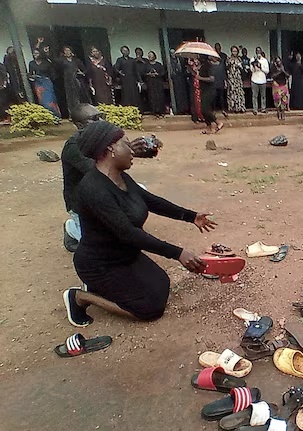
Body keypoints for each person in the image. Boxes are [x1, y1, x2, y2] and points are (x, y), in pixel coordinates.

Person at [63, 121, 215, 326]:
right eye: (127, 145)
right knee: (150, 309)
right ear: (111, 149)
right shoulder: (93, 189)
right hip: (100, 264)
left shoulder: (120, 177)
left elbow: (150, 200)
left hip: (126, 255)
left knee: (162, 284)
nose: (133, 151)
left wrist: (191, 216)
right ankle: (80, 297)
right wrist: (177, 253)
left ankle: (99, 288)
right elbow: (129, 233)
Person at [61, 103, 163, 252]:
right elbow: (100, 171)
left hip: (101, 194)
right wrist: (128, 151)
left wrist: (147, 148)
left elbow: (118, 157)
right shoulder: (74, 146)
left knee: (139, 191)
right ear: (79, 125)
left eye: (101, 116)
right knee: (103, 246)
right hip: (82, 203)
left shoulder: (101, 139)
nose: (101, 121)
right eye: (95, 118)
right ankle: (72, 229)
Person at [57, 46, 91, 115]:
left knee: (79, 96)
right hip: (68, 81)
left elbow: (85, 69)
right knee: (70, 97)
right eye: (65, 51)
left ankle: (82, 113)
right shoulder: (62, 61)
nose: (67, 52)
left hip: (77, 80)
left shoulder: (76, 60)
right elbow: (57, 67)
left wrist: (82, 73)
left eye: (68, 50)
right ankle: (72, 114)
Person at [28, 48, 61, 116]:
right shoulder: (31, 63)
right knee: (41, 100)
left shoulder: (46, 62)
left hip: (46, 82)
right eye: (34, 53)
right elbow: (30, 73)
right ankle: (46, 116)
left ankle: (55, 115)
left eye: (37, 53)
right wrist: (32, 77)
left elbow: (53, 73)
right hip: (38, 83)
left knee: (50, 100)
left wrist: (48, 78)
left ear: (40, 54)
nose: (35, 55)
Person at [197, 56, 224, 134]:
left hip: (210, 91)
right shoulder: (202, 66)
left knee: (205, 109)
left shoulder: (208, 66)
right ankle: (209, 127)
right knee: (203, 110)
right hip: (204, 90)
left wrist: (200, 78)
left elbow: (212, 79)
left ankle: (218, 122)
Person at [144, 51, 166, 117]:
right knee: (152, 97)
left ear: (154, 56)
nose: (150, 56)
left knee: (160, 96)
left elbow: (163, 73)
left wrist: (157, 74)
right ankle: (154, 111)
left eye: (151, 55)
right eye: (149, 55)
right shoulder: (146, 65)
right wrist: (149, 74)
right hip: (151, 82)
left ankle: (161, 111)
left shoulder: (158, 64)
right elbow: (144, 73)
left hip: (158, 82)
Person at [226, 45, 246, 113]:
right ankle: (233, 108)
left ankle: (240, 107)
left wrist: (240, 66)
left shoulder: (239, 59)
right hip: (231, 78)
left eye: (236, 51)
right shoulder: (228, 59)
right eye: (233, 51)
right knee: (232, 93)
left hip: (238, 78)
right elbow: (226, 68)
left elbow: (243, 68)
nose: (234, 52)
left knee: (239, 92)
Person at [169, 48, 190, 114]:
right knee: (177, 95)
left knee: (184, 95)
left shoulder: (180, 59)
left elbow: (184, 68)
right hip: (175, 79)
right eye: (171, 53)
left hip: (182, 78)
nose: (173, 54)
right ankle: (179, 110)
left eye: (174, 53)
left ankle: (185, 109)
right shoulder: (169, 61)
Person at [251, 47, 269, 114]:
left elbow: (267, 71)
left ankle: (263, 108)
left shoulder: (264, 60)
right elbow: (251, 70)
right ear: (255, 52)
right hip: (254, 79)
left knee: (263, 95)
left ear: (261, 51)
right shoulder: (252, 59)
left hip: (262, 80)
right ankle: (255, 109)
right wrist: (254, 66)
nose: (258, 52)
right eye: (257, 51)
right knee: (254, 96)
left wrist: (261, 67)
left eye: (259, 51)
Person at [271, 56, 290, 121]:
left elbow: (288, 75)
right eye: (277, 61)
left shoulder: (283, 67)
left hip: (283, 85)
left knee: (284, 100)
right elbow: (272, 76)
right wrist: (279, 72)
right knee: (277, 100)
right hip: (277, 85)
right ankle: (279, 113)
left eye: (279, 61)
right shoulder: (273, 68)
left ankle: (283, 114)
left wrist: (283, 71)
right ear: (275, 62)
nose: (279, 62)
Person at [188, 58, 204, 123]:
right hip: (194, 86)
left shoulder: (203, 66)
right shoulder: (190, 67)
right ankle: (196, 117)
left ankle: (202, 116)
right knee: (195, 102)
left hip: (201, 85)